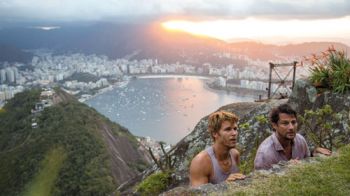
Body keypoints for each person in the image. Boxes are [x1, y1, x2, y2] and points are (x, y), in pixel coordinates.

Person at [254, 104, 332, 170]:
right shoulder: (265, 154)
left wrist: (314, 153)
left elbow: (307, 162)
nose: (291, 127)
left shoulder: (300, 140)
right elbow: (261, 182)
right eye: (285, 123)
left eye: (293, 122)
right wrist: (285, 169)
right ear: (274, 125)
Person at [189, 110, 245, 187]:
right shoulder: (201, 162)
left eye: (235, 129)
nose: (234, 133)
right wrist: (225, 186)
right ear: (215, 133)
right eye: (228, 129)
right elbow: (198, 194)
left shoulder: (235, 154)